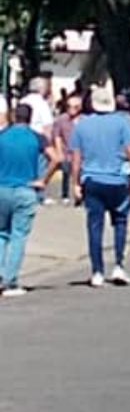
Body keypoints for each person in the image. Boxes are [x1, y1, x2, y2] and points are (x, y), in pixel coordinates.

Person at [71, 86, 130, 288]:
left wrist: (75, 184)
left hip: (92, 180)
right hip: (118, 180)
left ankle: (97, 271)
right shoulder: (122, 123)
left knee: (95, 226)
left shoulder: (82, 125)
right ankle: (119, 265)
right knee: (120, 222)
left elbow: (76, 159)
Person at [0, 104, 60, 297]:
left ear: (13, 116)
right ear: (30, 117)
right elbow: (56, 159)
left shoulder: (3, 136)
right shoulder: (37, 137)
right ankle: (10, 280)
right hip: (26, 188)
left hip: (2, 188)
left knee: (1, 234)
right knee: (18, 235)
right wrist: (43, 179)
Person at [51, 94, 82, 205]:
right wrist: (59, 151)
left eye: (75, 107)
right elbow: (57, 136)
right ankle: (65, 195)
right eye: (69, 106)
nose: (71, 109)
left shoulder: (84, 120)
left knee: (80, 174)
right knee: (66, 172)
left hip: (81, 153)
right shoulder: (61, 119)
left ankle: (79, 195)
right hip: (67, 152)